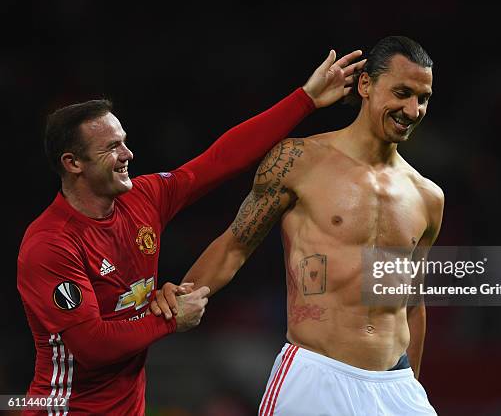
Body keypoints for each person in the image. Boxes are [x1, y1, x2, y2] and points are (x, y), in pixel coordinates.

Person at [16, 48, 365, 415]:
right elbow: (91, 346)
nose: (128, 154)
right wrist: (168, 318)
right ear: (72, 163)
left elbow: (219, 160)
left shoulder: (145, 198)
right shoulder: (51, 245)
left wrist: (305, 99)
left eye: (124, 141)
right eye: (111, 148)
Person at [154, 36, 442, 415]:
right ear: (366, 85)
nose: (413, 109)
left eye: (422, 98)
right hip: (316, 375)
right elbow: (234, 246)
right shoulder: (299, 161)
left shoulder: (428, 196)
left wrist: (410, 389)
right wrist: (181, 300)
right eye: (402, 92)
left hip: (396, 383)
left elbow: (411, 302)